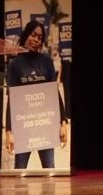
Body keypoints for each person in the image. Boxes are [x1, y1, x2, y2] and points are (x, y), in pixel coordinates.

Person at [4, 20, 68, 169]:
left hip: (45, 126)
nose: (36, 40)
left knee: (49, 171)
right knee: (19, 172)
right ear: (26, 34)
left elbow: (54, 94)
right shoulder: (15, 65)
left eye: (39, 37)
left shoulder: (46, 62)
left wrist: (63, 122)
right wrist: (9, 131)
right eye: (33, 35)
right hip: (23, 127)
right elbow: (11, 99)